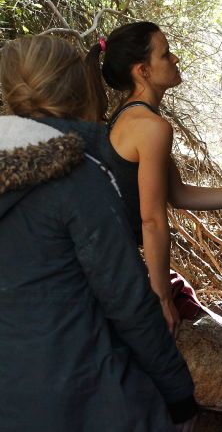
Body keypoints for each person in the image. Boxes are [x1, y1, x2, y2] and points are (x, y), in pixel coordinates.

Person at [0, 35, 197, 431]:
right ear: (79, 86)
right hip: (76, 387)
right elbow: (126, 298)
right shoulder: (77, 175)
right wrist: (178, 393)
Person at [85, 21, 222, 334]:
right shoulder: (150, 127)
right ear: (143, 71)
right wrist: (162, 298)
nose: (175, 59)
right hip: (110, 264)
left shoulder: (130, 114)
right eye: (165, 55)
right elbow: (152, 220)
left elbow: (177, 194)